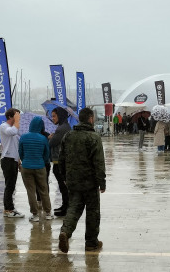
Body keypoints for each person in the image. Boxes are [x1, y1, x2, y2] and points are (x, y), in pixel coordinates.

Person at [58, 107, 106, 253]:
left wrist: (64, 177)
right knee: (92, 212)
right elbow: (99, 162)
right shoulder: (94, 137)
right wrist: (102, 182)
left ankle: (65, 232)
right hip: (90, 182)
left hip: (73, 181)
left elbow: (61, 159)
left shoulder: (68, 136)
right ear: (91, 119)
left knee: (73, 208)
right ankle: (91, 243)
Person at [19, 116, 53, 222]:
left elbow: (21, 152)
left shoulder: (23, 137)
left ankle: (35, 215)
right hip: (40, 167)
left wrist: (25, 161)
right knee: (43, 190)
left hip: (26, 167)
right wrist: (41, 161)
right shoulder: (43, 138)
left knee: (31, 191)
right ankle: (48, 213)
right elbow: (47, 154)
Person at [0, 108, 25, 218]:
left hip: (13, 159)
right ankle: (8, 209)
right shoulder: (4, 126)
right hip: (7, 159)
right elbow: (12, 132)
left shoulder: (15, 129)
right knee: (9, 185)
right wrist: (17, 121)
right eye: (16, 115)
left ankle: (11, 207)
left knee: (12, 185)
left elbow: (16, 146)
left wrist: (18, 161)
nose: (18, 118)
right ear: (10, 117)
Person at [49, 107, 71, 217]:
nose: (52, 118)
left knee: (63, 186)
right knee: (62, 186)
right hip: (61, 160)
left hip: (60, 162)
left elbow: (52, 143)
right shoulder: (64, 127)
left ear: (60, 116)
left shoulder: (61, 129)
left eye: (54, 116)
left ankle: (66, 208)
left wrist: (49, 137)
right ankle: (65, 205)